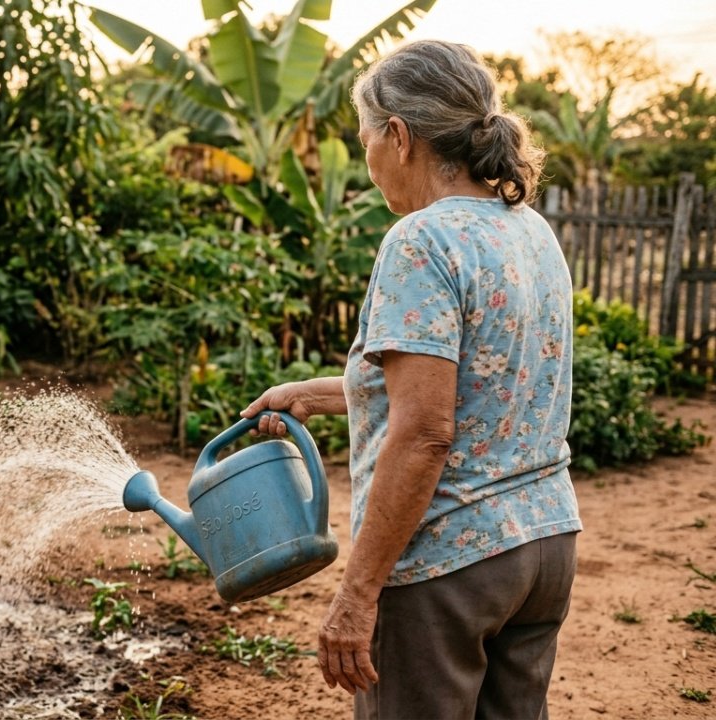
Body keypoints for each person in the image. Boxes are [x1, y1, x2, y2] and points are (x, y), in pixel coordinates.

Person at [241, 40, 582, 719]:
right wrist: (309, 395)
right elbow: (479, 385)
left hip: (448, 564)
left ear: (397, 136)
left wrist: (357, 592)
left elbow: (425, 430)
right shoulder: (529, 229)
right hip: (542, 548)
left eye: (365, 138)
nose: (367, 160)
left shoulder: (422, 240)